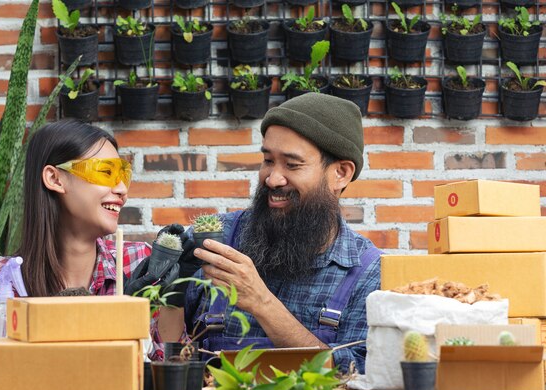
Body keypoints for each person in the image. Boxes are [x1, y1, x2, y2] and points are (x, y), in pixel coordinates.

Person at [156, 93, 382, 373]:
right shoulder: (215, 239)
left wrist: (262, 302)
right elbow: (161, 356)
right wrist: (165, 298)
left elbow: (359, 377)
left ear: (341, 173)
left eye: (292, 164)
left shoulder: (369, 272)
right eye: (268, 160)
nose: (273, 178)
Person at [0, 119, 156, 335]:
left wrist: (175, 298)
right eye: (105, 173)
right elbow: (9, 363)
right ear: (55, 179)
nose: (121, 189)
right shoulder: (4, 276)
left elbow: (168, 360)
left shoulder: (138, 261)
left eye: (123, 176)